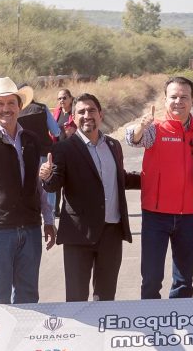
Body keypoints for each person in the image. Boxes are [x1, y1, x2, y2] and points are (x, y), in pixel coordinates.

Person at [40, 93, 141, 302]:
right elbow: (53, 184)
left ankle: (101, 335)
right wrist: (47, 176)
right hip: (79, 235)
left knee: (105, 297)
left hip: (111, 233)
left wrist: (150, 179)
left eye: (92, 110)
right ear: (74, 118)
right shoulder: (63, 149)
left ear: (101, 114)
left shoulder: (114, 146)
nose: (87, 115)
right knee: (76, 299)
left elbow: (119, 178)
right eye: (81, 112)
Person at [0, 77, 56, 304]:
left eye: (11, 103)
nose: (6, 109)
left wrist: (48, 219)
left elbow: (38, 185)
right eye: (0, 104)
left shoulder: (31, 139)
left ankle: (24, 341)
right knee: (0, 298)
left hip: (30, 227)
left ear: (19, 106)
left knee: (28, 296)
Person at [125, 76, 193, 299]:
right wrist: (140, 127)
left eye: (184, 97)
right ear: (165, 100)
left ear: (192, 100)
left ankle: (181, 326)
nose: (178, 101)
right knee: (151, 280)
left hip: (189, 216)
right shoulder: (155, 129)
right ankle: (153, 327)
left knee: (183, 282)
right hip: (156, 216)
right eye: (173, 97)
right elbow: (133, 139)